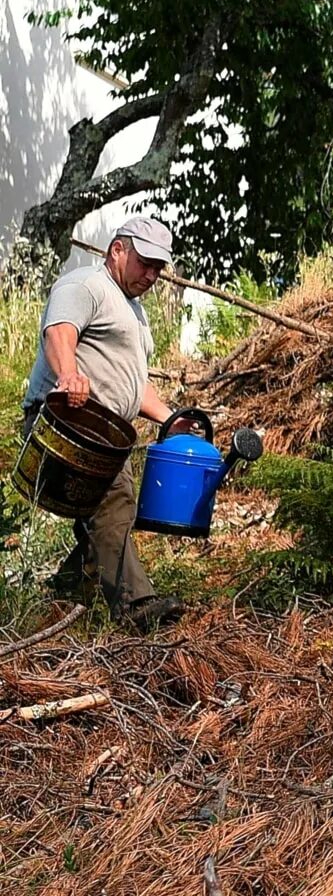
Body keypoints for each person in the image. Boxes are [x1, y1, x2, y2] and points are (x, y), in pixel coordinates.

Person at [26, 216, 191, 630]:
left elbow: (132, 385)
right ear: (117, 250)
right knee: (111, 498)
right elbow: (59, 332)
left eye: (158, 267)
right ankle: (136, 606)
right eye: (145, 263)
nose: (151, 274)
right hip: (64, 420)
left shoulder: (134, 312)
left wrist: (170, 418)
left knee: (115, 505)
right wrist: (68, 374)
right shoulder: (87, 285)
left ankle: (65, 595)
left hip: (104, 429)